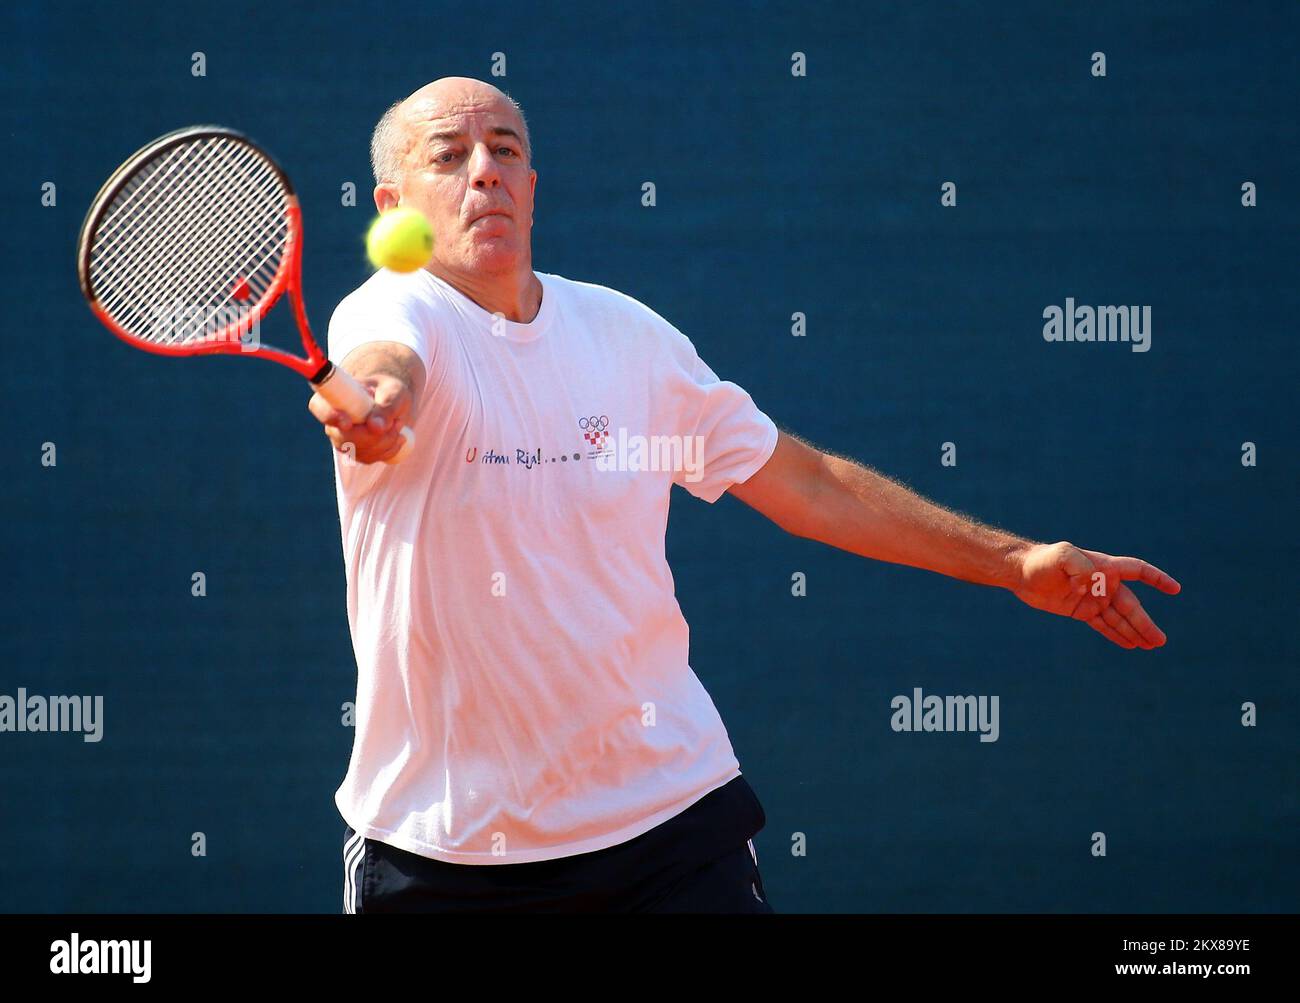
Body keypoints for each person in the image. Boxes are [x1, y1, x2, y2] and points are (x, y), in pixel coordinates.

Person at [310, 77, 1180, 914]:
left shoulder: (627, 339)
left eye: (504, 150)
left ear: (532, 190)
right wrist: (383, 401)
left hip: (668, 831)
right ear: (393, 209)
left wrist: (1016, 561)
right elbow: (388, 362)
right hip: (441, 851)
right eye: (449, 154)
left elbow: (801, 482)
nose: (483, 171)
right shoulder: (389, 311)